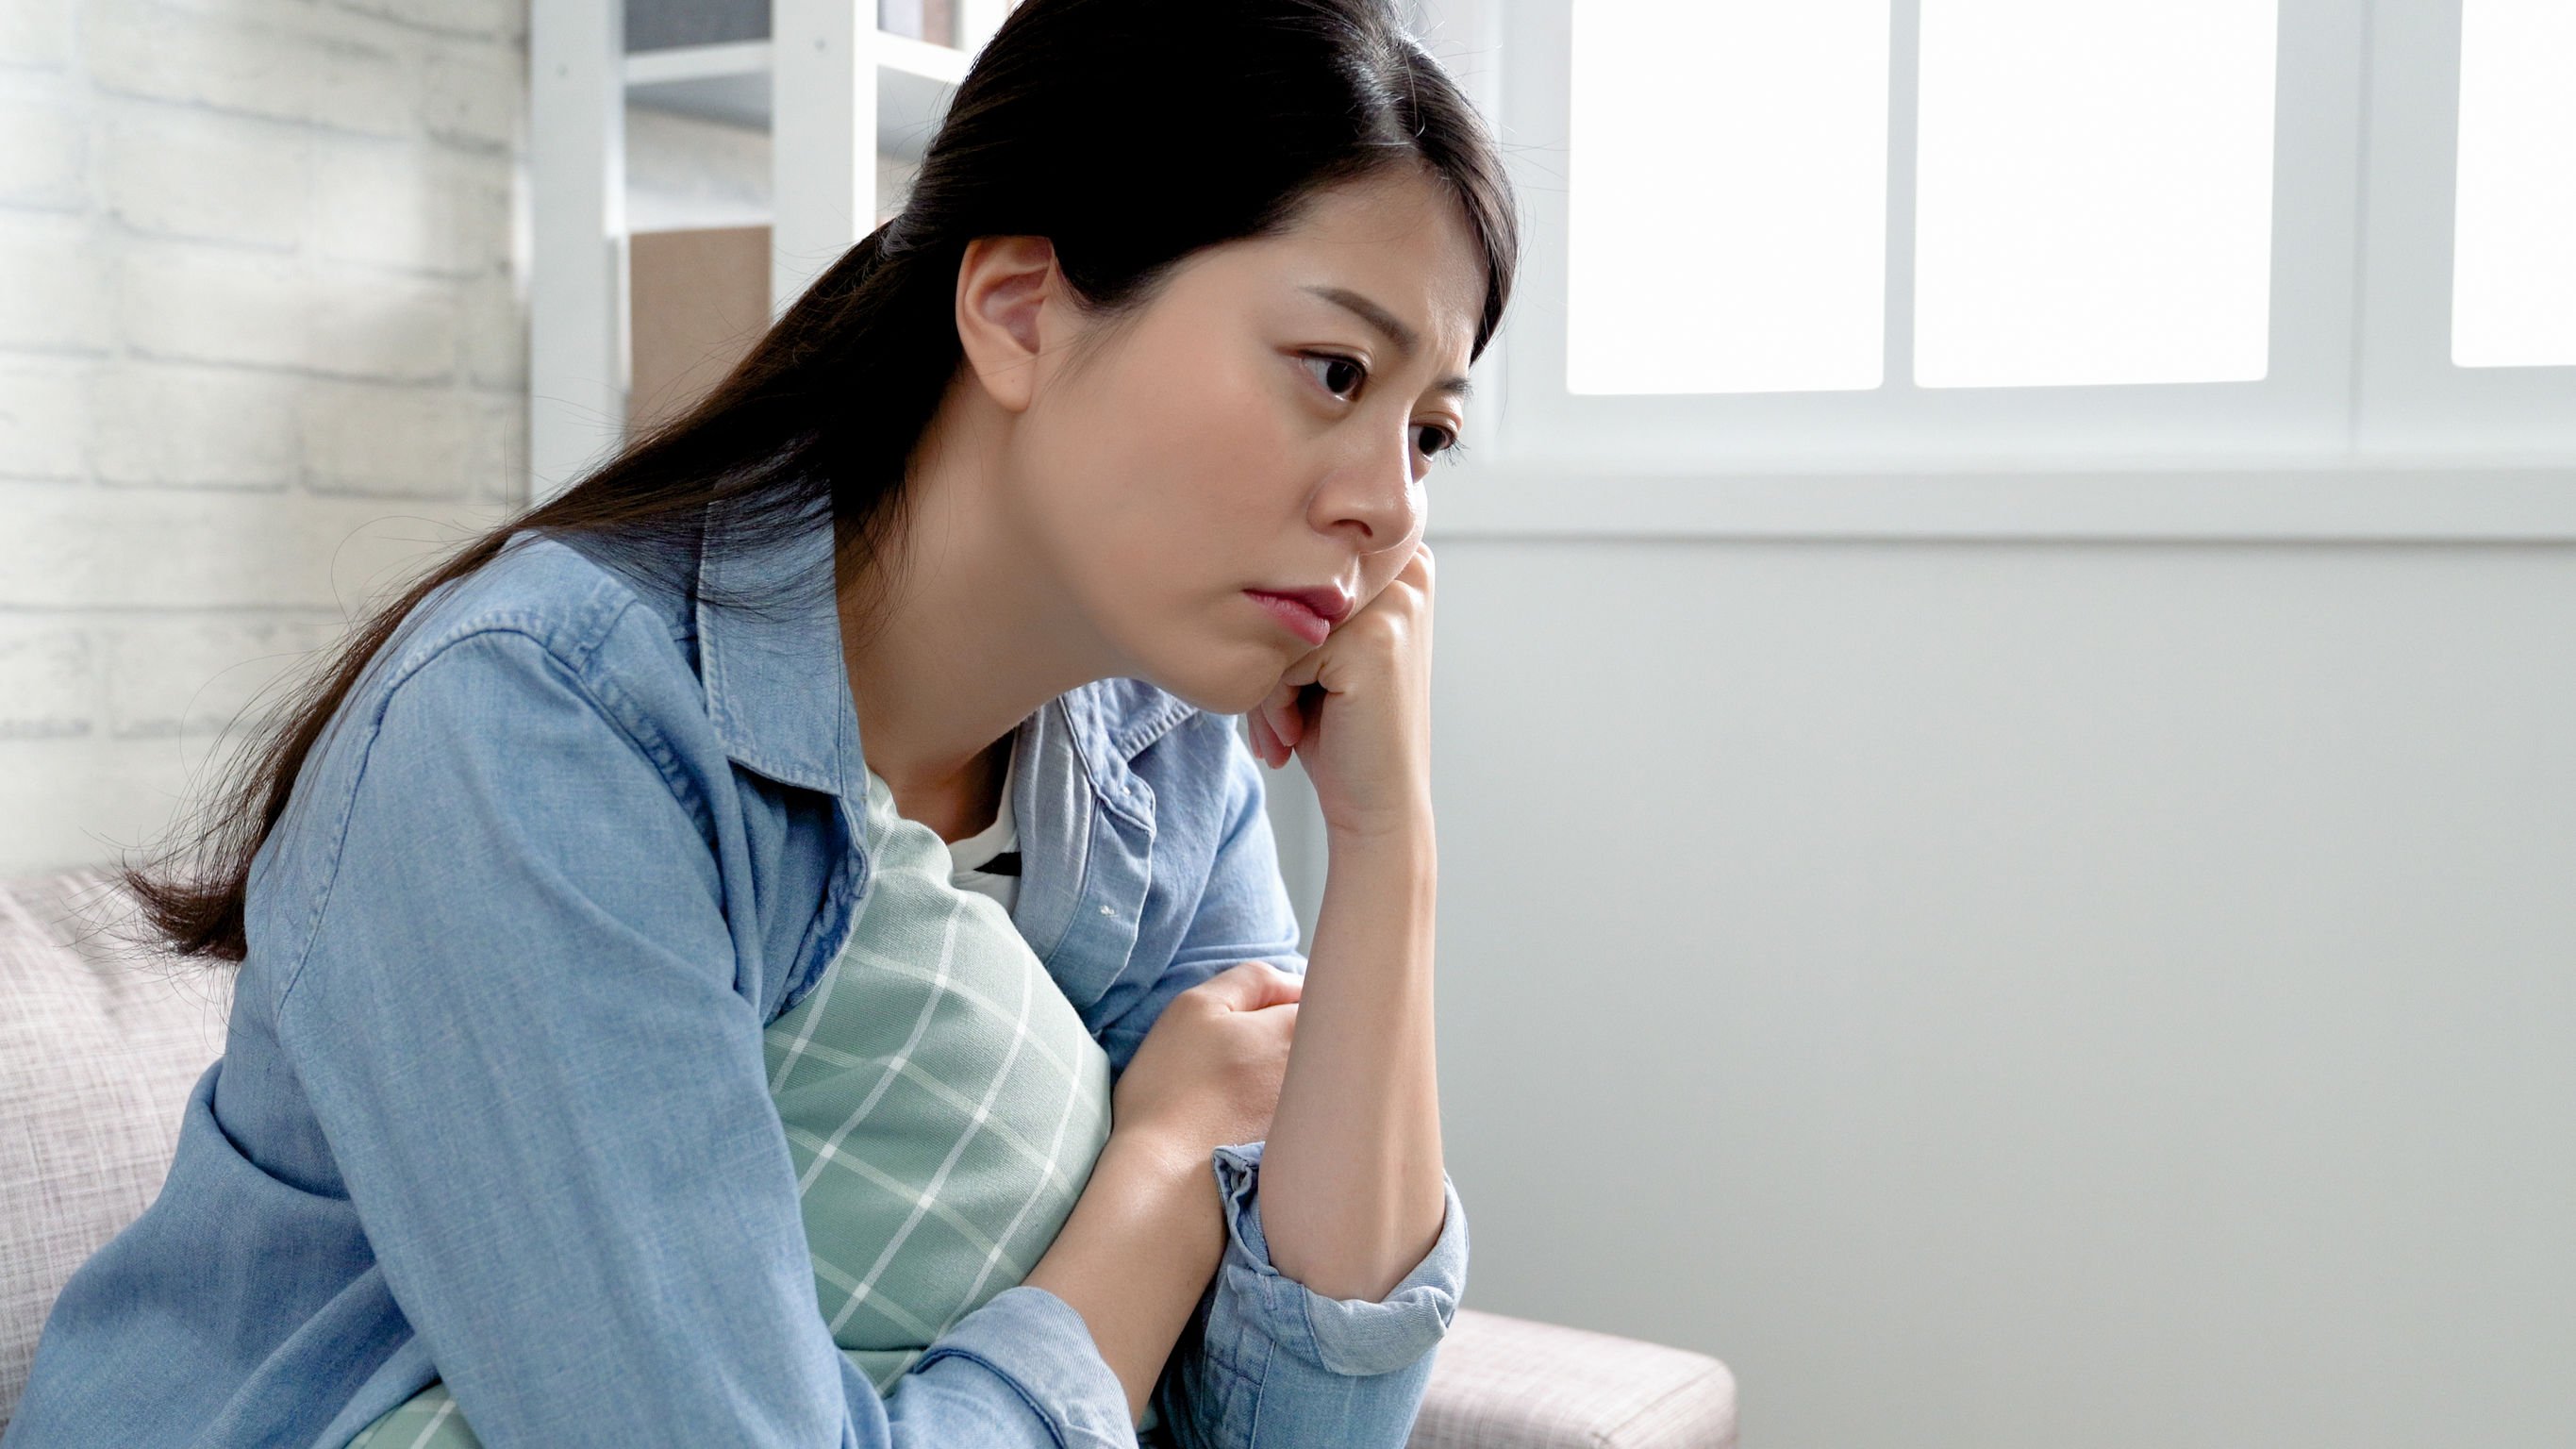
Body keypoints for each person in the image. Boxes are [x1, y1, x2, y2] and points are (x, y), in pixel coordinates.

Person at [0, 0, 1517, 1443]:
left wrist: (1387, 849)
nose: (1388, 505)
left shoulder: (1157, 745)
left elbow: (1305, 1423)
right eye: (1334, 371)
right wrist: (1167, 1170)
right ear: (1017, 313)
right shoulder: (539, 728)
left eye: (1431, 431)